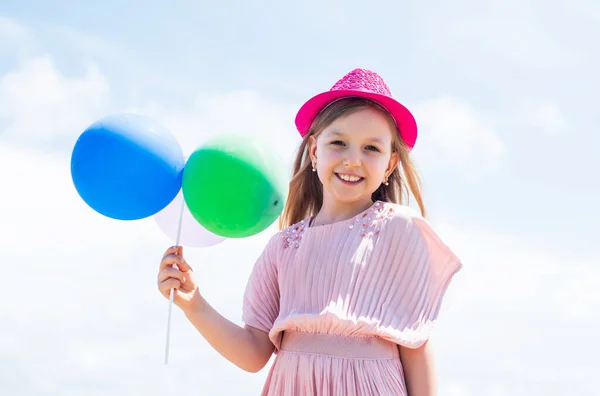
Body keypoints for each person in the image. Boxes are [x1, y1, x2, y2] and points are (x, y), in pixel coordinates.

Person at [157, 68, 463, 395]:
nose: (353, 160)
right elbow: (254, 353)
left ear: (390, 164)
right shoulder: (284, 247)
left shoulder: (399, 230)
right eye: (339, 143)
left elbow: (416, 344)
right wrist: (195, 303)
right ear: (315, 152)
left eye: (371, 148)